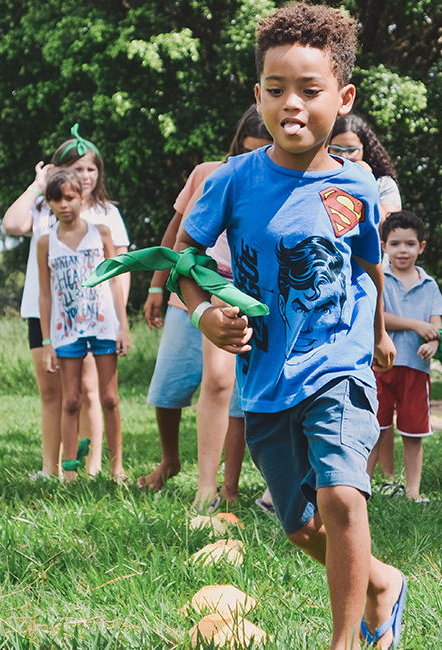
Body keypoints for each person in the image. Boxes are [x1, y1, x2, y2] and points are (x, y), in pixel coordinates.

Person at [174, 4, 406, 649]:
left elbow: (369, 264)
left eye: (310, 90)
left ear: (343, 96)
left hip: (339, 362)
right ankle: (382, 582)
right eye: (277, 90)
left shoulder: (357, 184)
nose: (292, 104)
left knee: (340, 495)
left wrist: (381, 332)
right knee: (300, 524)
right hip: (267, 374)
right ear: (258, 96)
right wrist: (205, 314)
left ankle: (346, 640)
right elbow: (184, 262)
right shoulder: (232, 180)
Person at [138, 106, 273, 514]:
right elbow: (178, 235)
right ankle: (174, 462)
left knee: (224, 388)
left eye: (264, 151)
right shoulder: (212, 174)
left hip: (242, 293)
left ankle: (220, 487)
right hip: (193, 287)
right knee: (170, 388)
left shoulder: (282, 182)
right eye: (248, 151)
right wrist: (156, 286)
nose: (256, 160)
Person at [2, 125, 130, 478]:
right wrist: (37, 185)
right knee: (51, 391)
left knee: (89, 392)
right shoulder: (47, 207)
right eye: (75, 168)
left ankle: (91, 467)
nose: (84, 175)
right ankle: (50, 467)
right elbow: (12, 224)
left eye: (90, 168)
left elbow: (121, 268)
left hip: (93, 317)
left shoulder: (106, 215)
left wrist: (119, 321)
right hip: (43, 314)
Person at [37, 169, 129, 482]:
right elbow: (45, 294)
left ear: (81, 197)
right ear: (49, 203)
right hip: (66, 330)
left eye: (69, 197)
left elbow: (114, 282)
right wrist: (47, 340)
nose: (64, 205)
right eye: (56, 199)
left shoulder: (101, 232)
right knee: (72, 400)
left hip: (103, 324)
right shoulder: (45, 243)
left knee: (109, 398)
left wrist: (123, 326)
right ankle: (69, 472)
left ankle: (117, 469)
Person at [330, 113, 402, 480]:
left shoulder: (379, 184)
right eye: (336, 148)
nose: (345, 154)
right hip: (330, 285)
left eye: (352, 150)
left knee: (368, 386)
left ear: (366, 150)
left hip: (368, 285)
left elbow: (380, 227)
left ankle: (367, 473)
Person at [368, 210, 442, 503]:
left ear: (421, 247)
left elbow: (436, 325)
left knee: (413, 433)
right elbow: (379, 318)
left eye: (410, 244)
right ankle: (362, 488)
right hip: (380, 366)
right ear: (384, 246)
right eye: (395, 243)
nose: (403, 250)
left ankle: (413, 491)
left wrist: (434, 343)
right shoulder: (378, 277)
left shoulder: (429, 284)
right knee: (374, 428)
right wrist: (416, 325)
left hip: (416, 368)